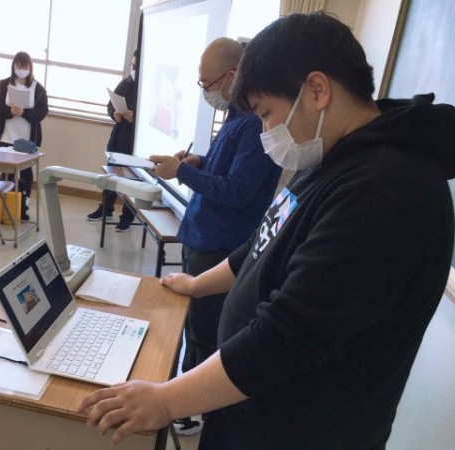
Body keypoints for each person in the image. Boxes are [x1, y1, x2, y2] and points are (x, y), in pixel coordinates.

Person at [78, 12, 455, 450]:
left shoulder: (383, 190)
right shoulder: (335, 156)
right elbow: (263, 243)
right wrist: (198, 284)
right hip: (251, 415)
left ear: (316, 91)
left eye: (267, 113)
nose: (264, 131)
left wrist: (166, 400)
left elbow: (288, 337)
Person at [149, 37, 281, 435]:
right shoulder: (237, 117)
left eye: (207, 83)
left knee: (207, 333)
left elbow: (238, 191)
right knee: (195, 326)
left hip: (220, 245)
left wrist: (182, 172)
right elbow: (225, 169)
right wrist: (197, 161)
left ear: (232, 76)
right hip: (203, 238)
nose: (205, 91)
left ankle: (192, 410)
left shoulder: (256, 124)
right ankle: (187, 399)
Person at [0, 51, 48, 220]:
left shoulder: (38, 89)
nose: (21, 69)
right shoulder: (3, 85)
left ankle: (24, 202)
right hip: (6, 135)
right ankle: (5, 202)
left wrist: (25, 113)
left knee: (26, 171)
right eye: (18, 65)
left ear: (30, 68)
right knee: (7, 170)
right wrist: (9, 111)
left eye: (25, 66)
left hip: (27, 138)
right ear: (14, 66)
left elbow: (42, 112)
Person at [86, 51, 139, 232]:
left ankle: (127, 216)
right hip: (118, 137)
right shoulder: (125, 83)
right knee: (110, 176)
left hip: (136, 143)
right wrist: (114, 114)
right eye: (132, 65)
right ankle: (106, 208)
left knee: (132, 180)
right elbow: (110, 105)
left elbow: (154, 118)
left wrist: (136, 118)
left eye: (137, 66)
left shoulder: (148, 88)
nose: (133, 69)